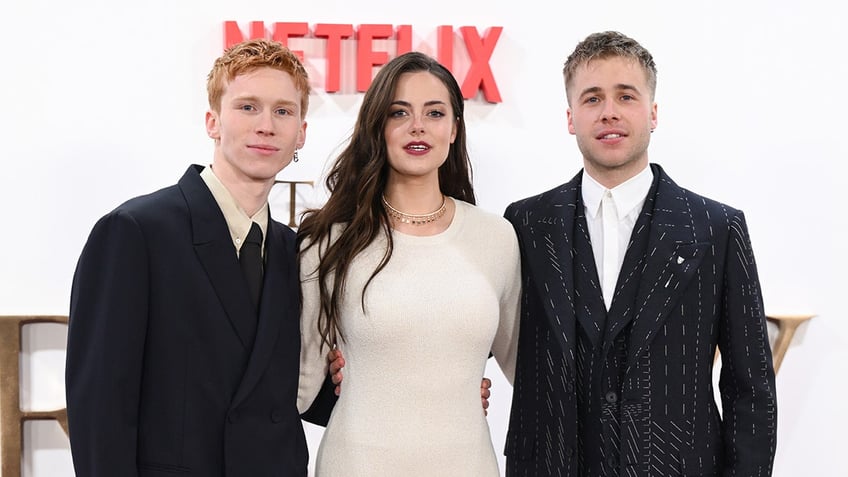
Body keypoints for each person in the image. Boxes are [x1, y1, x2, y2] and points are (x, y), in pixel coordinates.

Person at [502, 31, 777, 476]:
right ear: (570, 117)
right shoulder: (526, 224)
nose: (609, 111)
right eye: (592, 99)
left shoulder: (717, 228)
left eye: (625, 96)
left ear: (652, 112)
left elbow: (751, 388)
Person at [65, 38, 338, 477]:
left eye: (283, 111)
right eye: (248, 107)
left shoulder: (296, 251)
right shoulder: (136, 231)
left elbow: (294, 395)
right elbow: (100, 405)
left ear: (301, 132)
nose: (266, 125)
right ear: (213, 122)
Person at [296, 51, 521, 476]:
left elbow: (529, 370)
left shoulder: (496, 238)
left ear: (454, 128)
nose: (418, 126)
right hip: (356, 463)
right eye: (399, 112)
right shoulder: (329, 242)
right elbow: (298, 386)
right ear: (377, 127)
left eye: (435, 113)